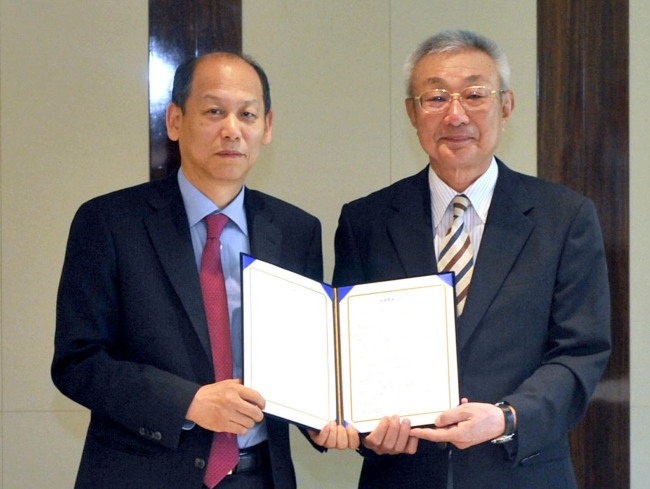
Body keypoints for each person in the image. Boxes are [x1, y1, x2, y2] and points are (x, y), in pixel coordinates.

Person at [52, 50, 348, 489]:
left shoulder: (296, 230)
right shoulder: (110, 222)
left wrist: (331, 415)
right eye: (214, 111)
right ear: (175, 121)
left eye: (247, 114)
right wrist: (186, 401)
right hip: (142, 475)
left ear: (267, 128)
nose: (232, 129)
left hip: (260, 475)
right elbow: (78, 362)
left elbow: (304, 356)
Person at [332, 30, 611, 489]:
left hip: (520, 473)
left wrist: (506, 418)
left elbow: (581, 353)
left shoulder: (565, 217)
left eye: (475, 94)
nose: (456, 114)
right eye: (436, 97)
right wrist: (366, 432)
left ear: (506, 106)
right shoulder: (366, 221)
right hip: (402, 476)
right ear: (412, 112)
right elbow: (349, 354)